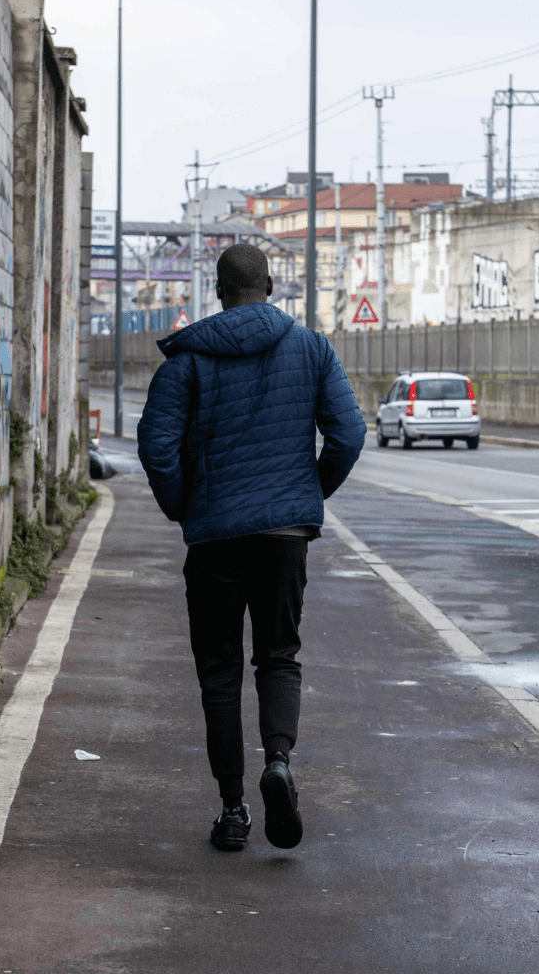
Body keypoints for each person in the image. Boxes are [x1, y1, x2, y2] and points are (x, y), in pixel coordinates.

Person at [137, 243, 366, 852]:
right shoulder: (313, 348)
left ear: (218, 290)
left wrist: (187, 509)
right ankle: (280, 763)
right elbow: (349, 433)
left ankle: (233, 808)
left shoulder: (184, 362)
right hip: (285, 541)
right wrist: (305, 493)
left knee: (220, 672)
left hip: (215, 539)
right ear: (270, 284)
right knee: (279, 656)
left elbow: (156, 449)